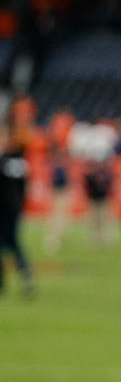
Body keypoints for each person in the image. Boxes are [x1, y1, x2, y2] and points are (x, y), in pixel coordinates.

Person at [0, 124, 34, 298]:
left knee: (13, 244)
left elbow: (22, 186)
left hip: (10, 209)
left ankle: (26, 277)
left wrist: (20, 205)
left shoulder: (15, 160)